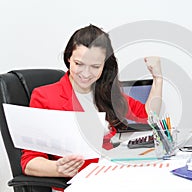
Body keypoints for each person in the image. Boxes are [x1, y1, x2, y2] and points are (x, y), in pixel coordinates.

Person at [21, 24, 163, 180]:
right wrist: (57, 168)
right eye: (79, 64)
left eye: (95, 66)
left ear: (104, 65)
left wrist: (158, 78)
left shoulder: (105, 92)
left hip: (112, 174)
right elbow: (29, 162)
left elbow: (148, 115)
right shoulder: (45, 96)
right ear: (69, 58)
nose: (86, 74)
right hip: (80, 182)